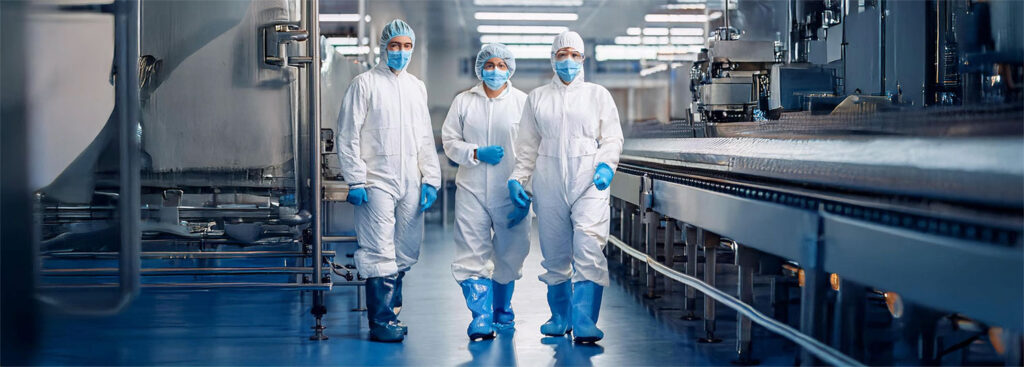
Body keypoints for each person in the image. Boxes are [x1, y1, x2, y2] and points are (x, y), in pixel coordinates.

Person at [507, 31, 623, 343]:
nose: (568, 61)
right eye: (562, 55)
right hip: (548, 184)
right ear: (553, 59)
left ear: (583, 59)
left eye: (574, 55)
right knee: (555, 252)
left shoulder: (597, 95)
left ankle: (585, 321)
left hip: (589, 182)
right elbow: (527, 146)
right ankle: (560, 317)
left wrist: (605, 165)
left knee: (588, 246)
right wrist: (518, 178)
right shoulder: (537, 98)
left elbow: (612, 137)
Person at [336, 19, 441, 343]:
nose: (401, 52)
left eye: (406, 46)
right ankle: (379, 321)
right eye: (395, 45)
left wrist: (431, 179)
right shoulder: (364, 84)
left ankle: (392, 312)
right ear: (384, 47)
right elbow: (348, 135)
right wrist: (355, 179)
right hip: (376, 178)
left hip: (411, 176)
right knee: (379, 248)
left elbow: (424, 137)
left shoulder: (416, 86)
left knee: (406, 248)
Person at [441, 43, 531, 341]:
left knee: (511, 252)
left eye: (501, 65)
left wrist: (526, 190)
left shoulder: (523, 102)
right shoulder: (464, 101)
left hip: (511, 190)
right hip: (472, 189)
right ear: (480, 67)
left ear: (510, 69)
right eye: (489, 65)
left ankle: (501, 310)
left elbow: (533, 149)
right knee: (471, 253)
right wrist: (476, 152)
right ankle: (480, 317)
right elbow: (450, 141)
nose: (495, 70)